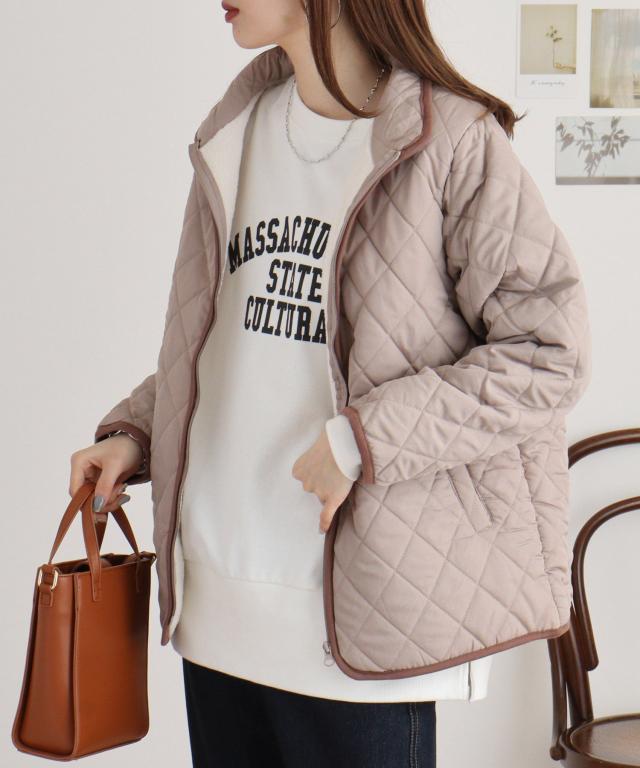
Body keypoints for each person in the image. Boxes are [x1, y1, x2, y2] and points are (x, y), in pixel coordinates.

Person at [69, 1, 592, 766]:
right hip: (217, 611)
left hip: (362, 629)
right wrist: (135, 433)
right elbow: (234, 344)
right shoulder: (235, 131)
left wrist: (362, 441)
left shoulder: (448, 138)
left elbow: (548, 354)